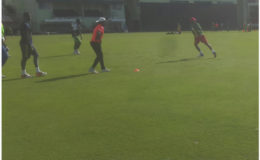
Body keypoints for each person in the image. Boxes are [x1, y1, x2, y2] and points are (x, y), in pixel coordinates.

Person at [20, 12, 47, 78]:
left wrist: (31, 43)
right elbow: (25, 35)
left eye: (30, 16)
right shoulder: (23, 25)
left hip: (29, 43)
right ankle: (23, 73)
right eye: (28, 16)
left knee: (35, 55)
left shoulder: (28, 24)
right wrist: (29, 44)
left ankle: (37, 71)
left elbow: (29, 34)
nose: (30, 17)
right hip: (25, 43)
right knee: (25, 57)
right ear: (25, 17)